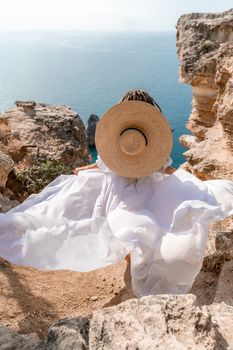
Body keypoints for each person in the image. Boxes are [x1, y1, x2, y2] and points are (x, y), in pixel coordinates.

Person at [0, 89, 233, 298]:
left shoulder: (119, 137)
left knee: (124, 229)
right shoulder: (152, 141)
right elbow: (163, 167)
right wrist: (182, 177)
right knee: (142, 230)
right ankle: (135, 269)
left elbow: (104, 163)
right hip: (146, 191)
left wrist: (85, 169)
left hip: (118, 191)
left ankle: (131, 265)